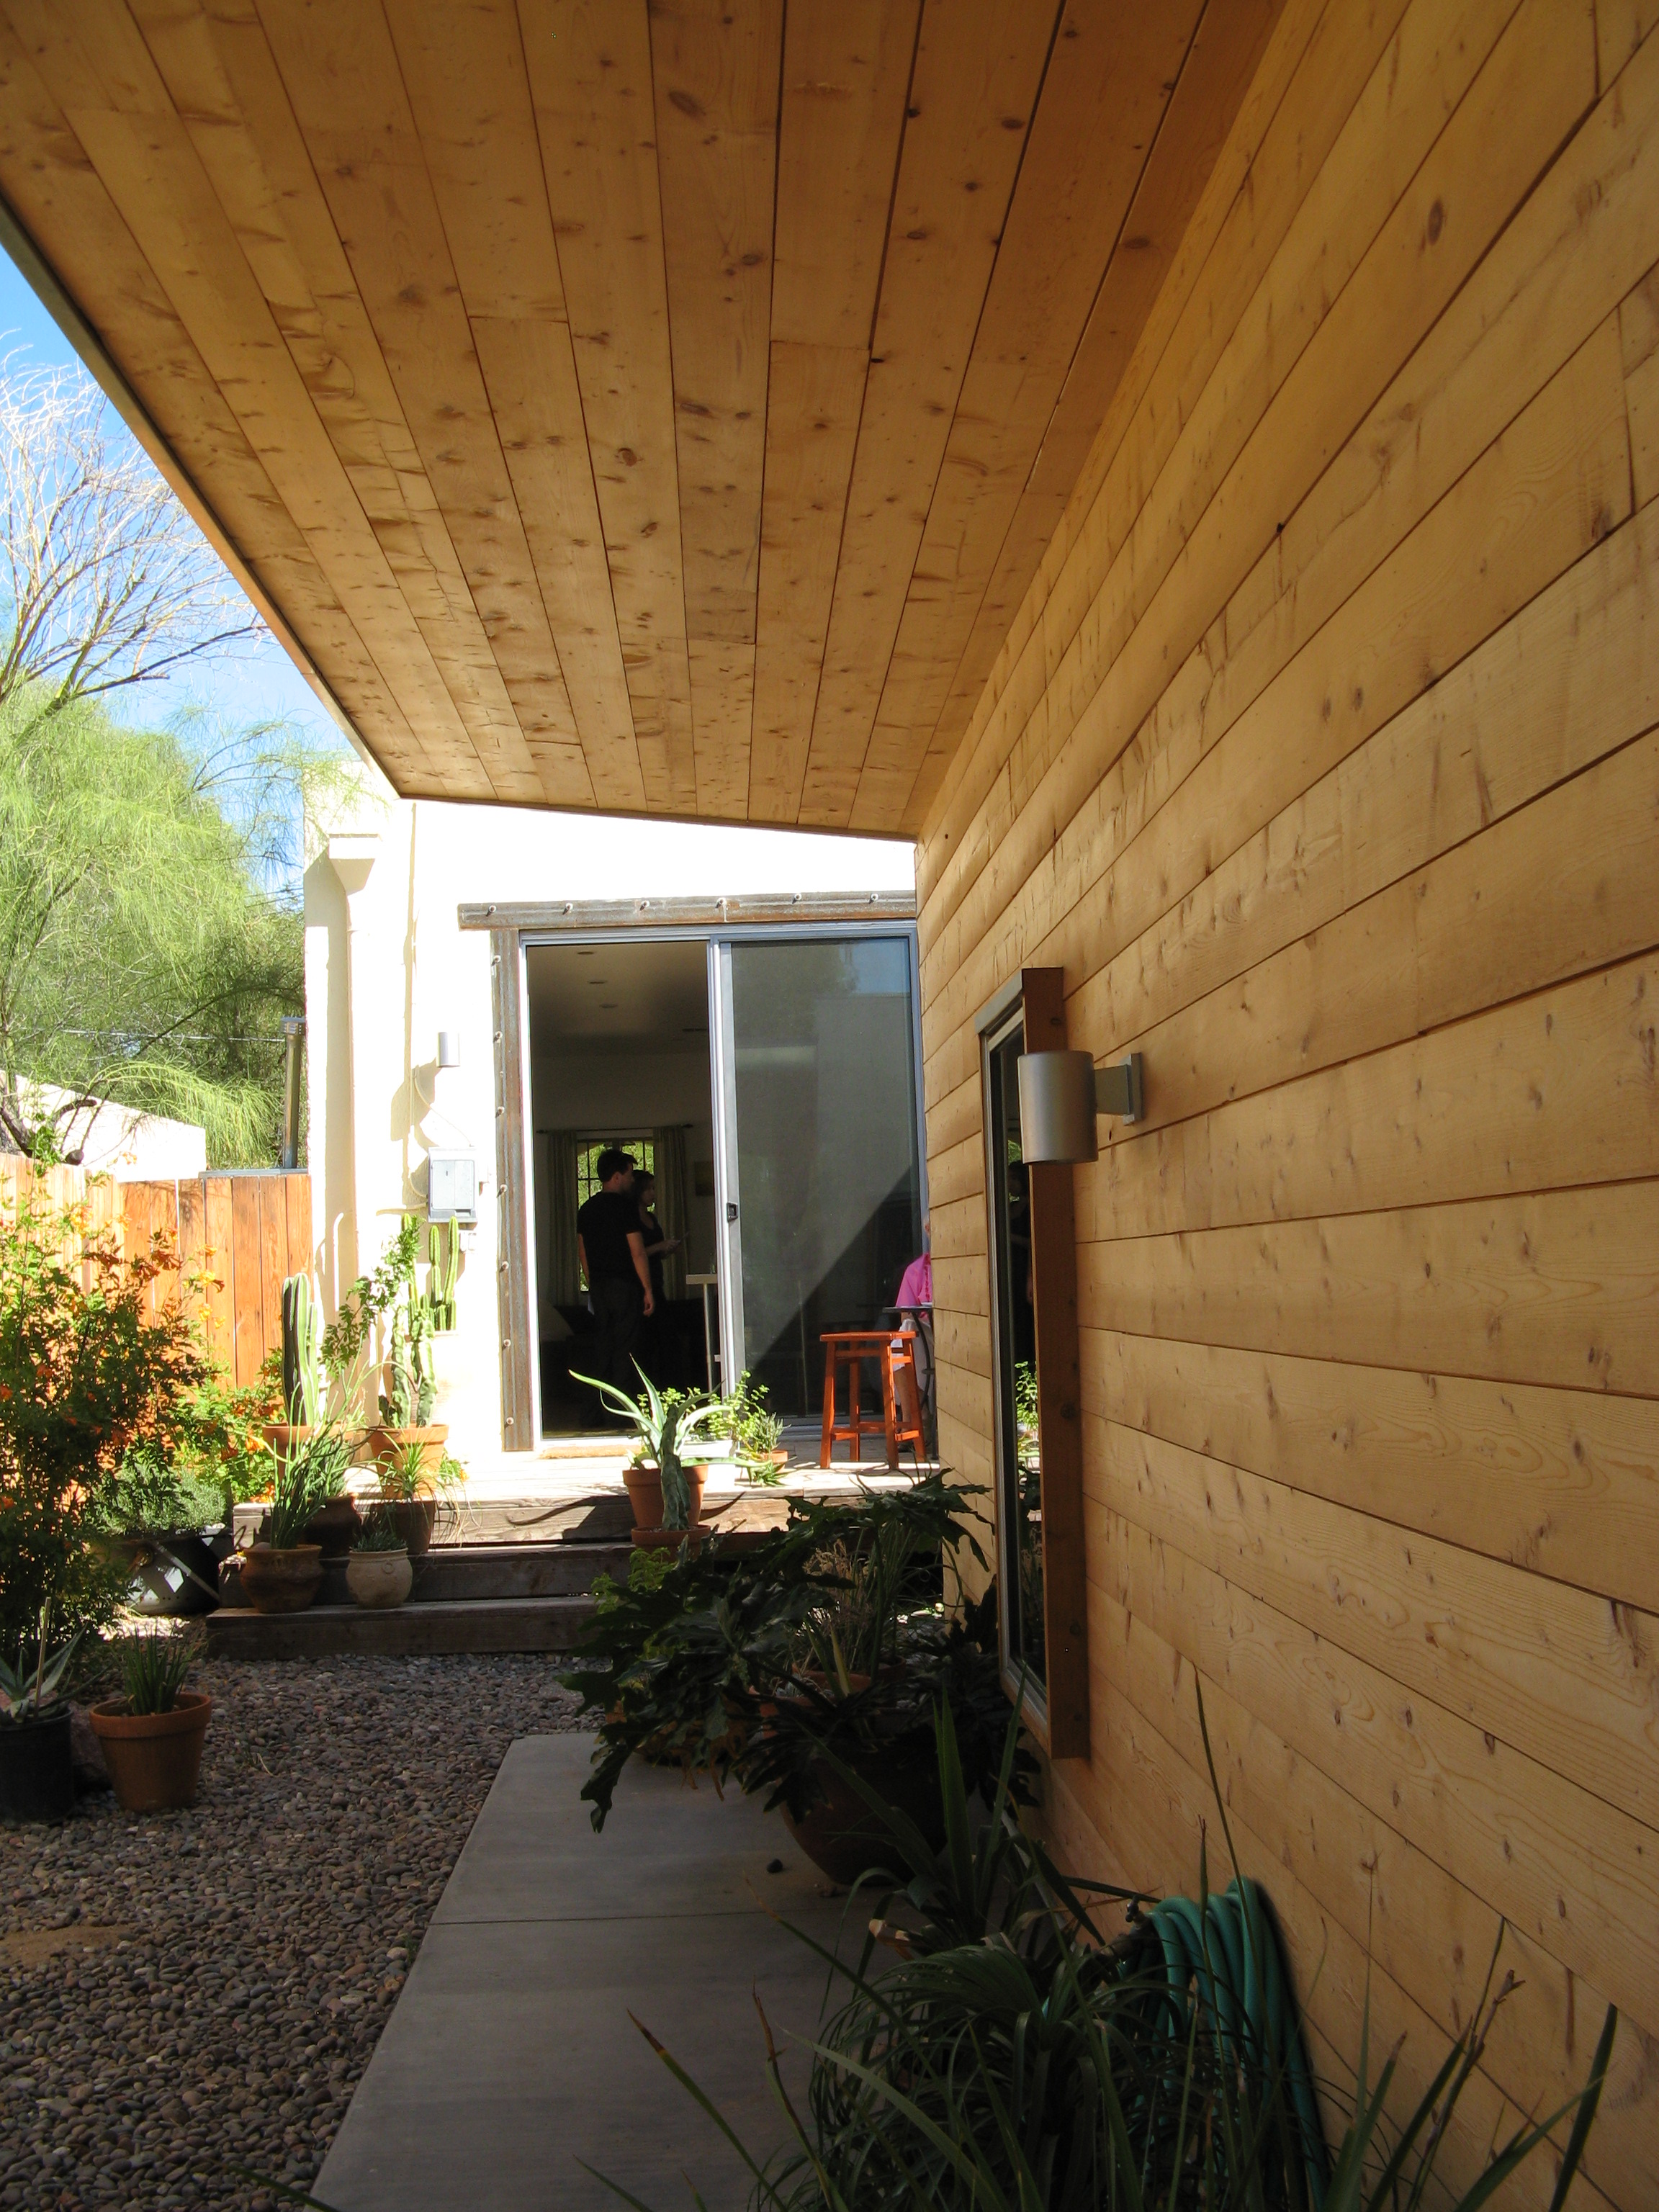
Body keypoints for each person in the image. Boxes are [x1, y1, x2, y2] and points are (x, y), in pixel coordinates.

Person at [576, 1148, 653, 1410]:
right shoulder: (625, 1208)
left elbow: (582, 1252)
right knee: (626, 1348)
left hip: (599, 1287)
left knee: (603, 1347)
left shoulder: (586, 1209)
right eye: (630, 1174)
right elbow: (638, 1252)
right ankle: (623, 1410)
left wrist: (593, 1281)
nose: (633, 1180)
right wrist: (647, 1289)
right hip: (624, 1286)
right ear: (617, 1177)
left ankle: (595, 1410)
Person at [633, 1169, 683, 1382]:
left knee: (666, 1338)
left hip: (657, 1282)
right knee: (646, 1340)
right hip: (639, 1286)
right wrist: (659, 1246)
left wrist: (667, 1249)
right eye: (650, 1189)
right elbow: (636, 1252)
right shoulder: (631, 1219)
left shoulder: (652, 1217)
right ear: (639, 1192)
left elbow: (656, 1252)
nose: (653, 1193)